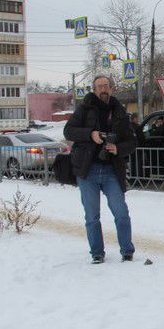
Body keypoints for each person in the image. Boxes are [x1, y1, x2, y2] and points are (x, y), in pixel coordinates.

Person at [63, 75, 137, 264]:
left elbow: (132, 141)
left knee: (121, 212)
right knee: (92, 216)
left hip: (112, 170)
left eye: (106, 86)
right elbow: (68, 131)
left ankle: (127, 251)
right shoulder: (84, 108)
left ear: (111, 89)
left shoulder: (119, 111)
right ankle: (97, 253)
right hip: (88, 171)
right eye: (99, 86)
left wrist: (118, 148)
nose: (103, 89)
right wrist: (90, 134)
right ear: (94, 90)